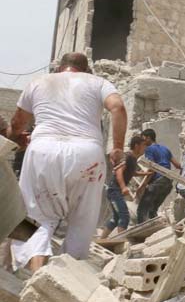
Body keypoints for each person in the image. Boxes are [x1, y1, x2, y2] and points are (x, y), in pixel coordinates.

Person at [7, 53, 127, 271]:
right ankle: (65, 277)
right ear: (86, 70)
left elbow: (17, 122)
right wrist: (117, 146)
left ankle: (34, 270)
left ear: (59, 68)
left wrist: (16, 136)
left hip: (42, 152)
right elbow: (118, 107)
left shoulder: (39, 82)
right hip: (87, 155)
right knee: (82, 219)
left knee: (33, 214)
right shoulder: (99, 83)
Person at [99, 135, 148, 238]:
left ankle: (102, 239)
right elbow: (118, 171)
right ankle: (120, 241)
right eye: (144, 145)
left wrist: (146, 174)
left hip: (115, 190)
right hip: (115, 190)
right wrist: (123, 187)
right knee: (124, 216)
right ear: (136, 145)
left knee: (116, 218)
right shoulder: (128, 156)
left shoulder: (133, 159)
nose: (146, 148)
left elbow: (132, 173)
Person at [137, 129, 181, 223]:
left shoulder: (149, 149)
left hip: (157, 181)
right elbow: (178, 165)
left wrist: (143, 185)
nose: (142, 142)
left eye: (143, 139)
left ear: (148, 138)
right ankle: (155, 231)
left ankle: (141, 234)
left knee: (142, 209)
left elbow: (151, 167)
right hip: (168, 183)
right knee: (152, 210)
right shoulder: (165, 149)